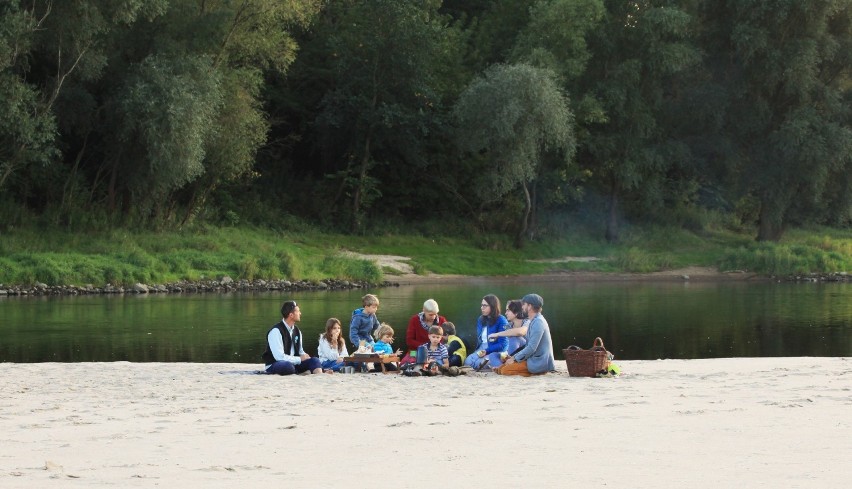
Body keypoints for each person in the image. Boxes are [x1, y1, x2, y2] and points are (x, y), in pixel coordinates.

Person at [496, 293, 555, 376]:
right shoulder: (533, 320)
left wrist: (515, 359)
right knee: (500, 369)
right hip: (532, 358)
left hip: (539, 362)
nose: (522, 307)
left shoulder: (538, 322)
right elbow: (528, 346)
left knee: (505, 371)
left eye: (524, 304)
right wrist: (513, 357)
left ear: (529, 306)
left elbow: (531, 348)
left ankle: (538, 371)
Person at [262, 300, 324, 375]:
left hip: (293, 363)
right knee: (288, 367)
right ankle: (302, 372)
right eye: (298, 311)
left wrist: (306, 357)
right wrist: (300, 359)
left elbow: (301, 352)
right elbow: (279, 357)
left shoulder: (297, 331)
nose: (300, 313)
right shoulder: (276, 331)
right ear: (291, 315)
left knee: (315, 361)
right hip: (275, 364)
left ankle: (318, 375)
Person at [464, 294, 508, 371]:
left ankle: (490, 366)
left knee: (479, 363)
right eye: (481, 305)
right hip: (482, 348)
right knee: (468, 361)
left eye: (485, 305)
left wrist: (487, 351)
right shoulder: (481, 319)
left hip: (495, 350)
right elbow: (480, 340)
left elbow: (503, 344)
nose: (482, 308)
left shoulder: (501, 320)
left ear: (493, 306)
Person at [486, 299, 527, 368]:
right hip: (511, 355)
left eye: (508, 310)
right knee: (492, 355)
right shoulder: (508, 325)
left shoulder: (527, 322)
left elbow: (520, 332)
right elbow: (504, 342)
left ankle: (506, 366)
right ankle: (503, 367)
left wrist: (497, 334)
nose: (505, 313)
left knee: (515, 338)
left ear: (516, 312)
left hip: (525, 354)